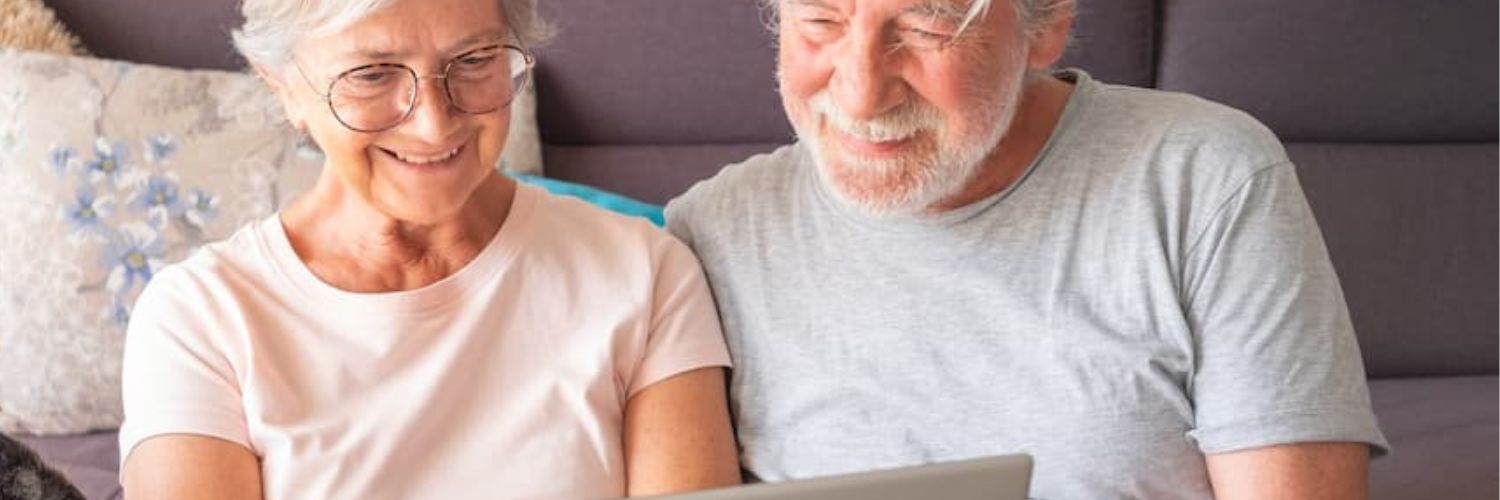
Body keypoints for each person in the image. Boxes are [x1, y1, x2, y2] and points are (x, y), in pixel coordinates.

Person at [665, 0, 1388, 498]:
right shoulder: (711, 233)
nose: (860, 95)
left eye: (926, 26)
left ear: (1045, 27)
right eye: (821, 19)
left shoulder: (1206, 176)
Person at [118, 0, 741, 498]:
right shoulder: (199, 319)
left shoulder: (644, 270)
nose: (434, 124)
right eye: (372, 73)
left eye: (473, 60)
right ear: (283, 86)